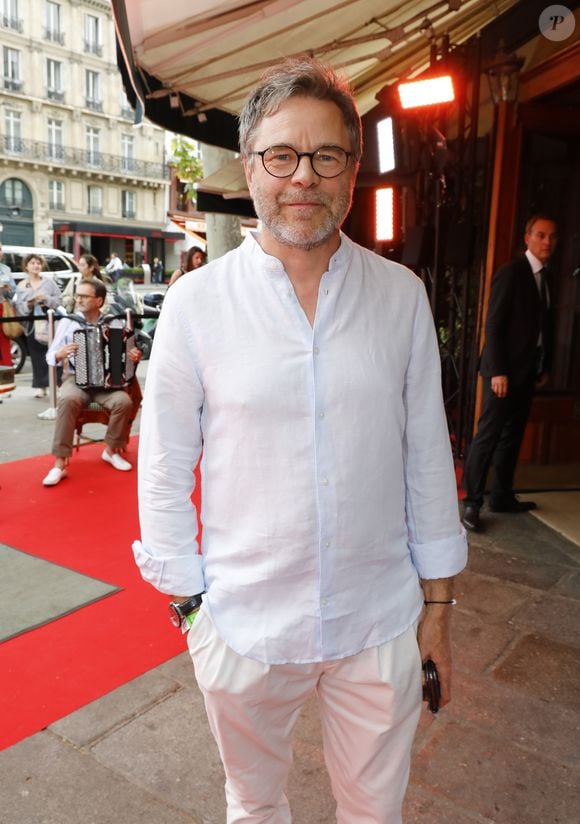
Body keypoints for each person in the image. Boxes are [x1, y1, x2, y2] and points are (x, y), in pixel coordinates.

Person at [133, 58, 467, 824]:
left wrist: (438, 607)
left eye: (326, 156)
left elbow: (425, 455)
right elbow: (163, 467)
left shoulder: (400, 296)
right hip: (245, 624)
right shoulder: (196, 304)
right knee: (254, 804)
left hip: (379, 621)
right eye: (281, 156)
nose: (302, 178)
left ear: (353, 169)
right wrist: (194, 613)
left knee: (375, 813)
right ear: (250, 167)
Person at [462, 215, 557, 532]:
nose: (547, 242)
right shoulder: (513, 272)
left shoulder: (545, 278)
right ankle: (472, 503)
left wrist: (544, 367)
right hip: (502, 374)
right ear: (527, 238)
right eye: (541, 235)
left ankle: (501, 496)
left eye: (551, 237)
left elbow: (543, 327)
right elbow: (494, 324)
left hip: (527, 373)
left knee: (512, 438)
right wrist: (498, 371)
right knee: (488, 436)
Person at [42, 278, 142, 487]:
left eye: (84, 296)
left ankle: (111, 450)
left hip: (107, 385)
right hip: (75, 380)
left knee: (123, 401)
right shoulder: (69, 322)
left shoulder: (113, 322)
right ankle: (60, 463)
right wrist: (60, 354)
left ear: (99, 300)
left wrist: (133, 356)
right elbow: (50, 355)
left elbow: (126, 354)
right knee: (68, 400)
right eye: (77, 295)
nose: (78, 299)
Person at [15, 253, 62, 398]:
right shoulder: (22, 285)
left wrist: (45, 298)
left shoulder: (49, 283)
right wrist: (29, 302)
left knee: (55, 353)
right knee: (36, 355)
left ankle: (58, 384)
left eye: (38, 263)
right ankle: (41, 386)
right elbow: (19, 306)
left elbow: (59, 300)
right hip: (32, 323)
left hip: (49, 322)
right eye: (33, 263)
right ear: (26, 266)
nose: (36, 266)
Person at [0, 244, 17, 367]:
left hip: (3, 309)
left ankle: (6, 370)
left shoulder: (6, 269)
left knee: (5, 343)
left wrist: (7, 290)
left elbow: (13, 292)